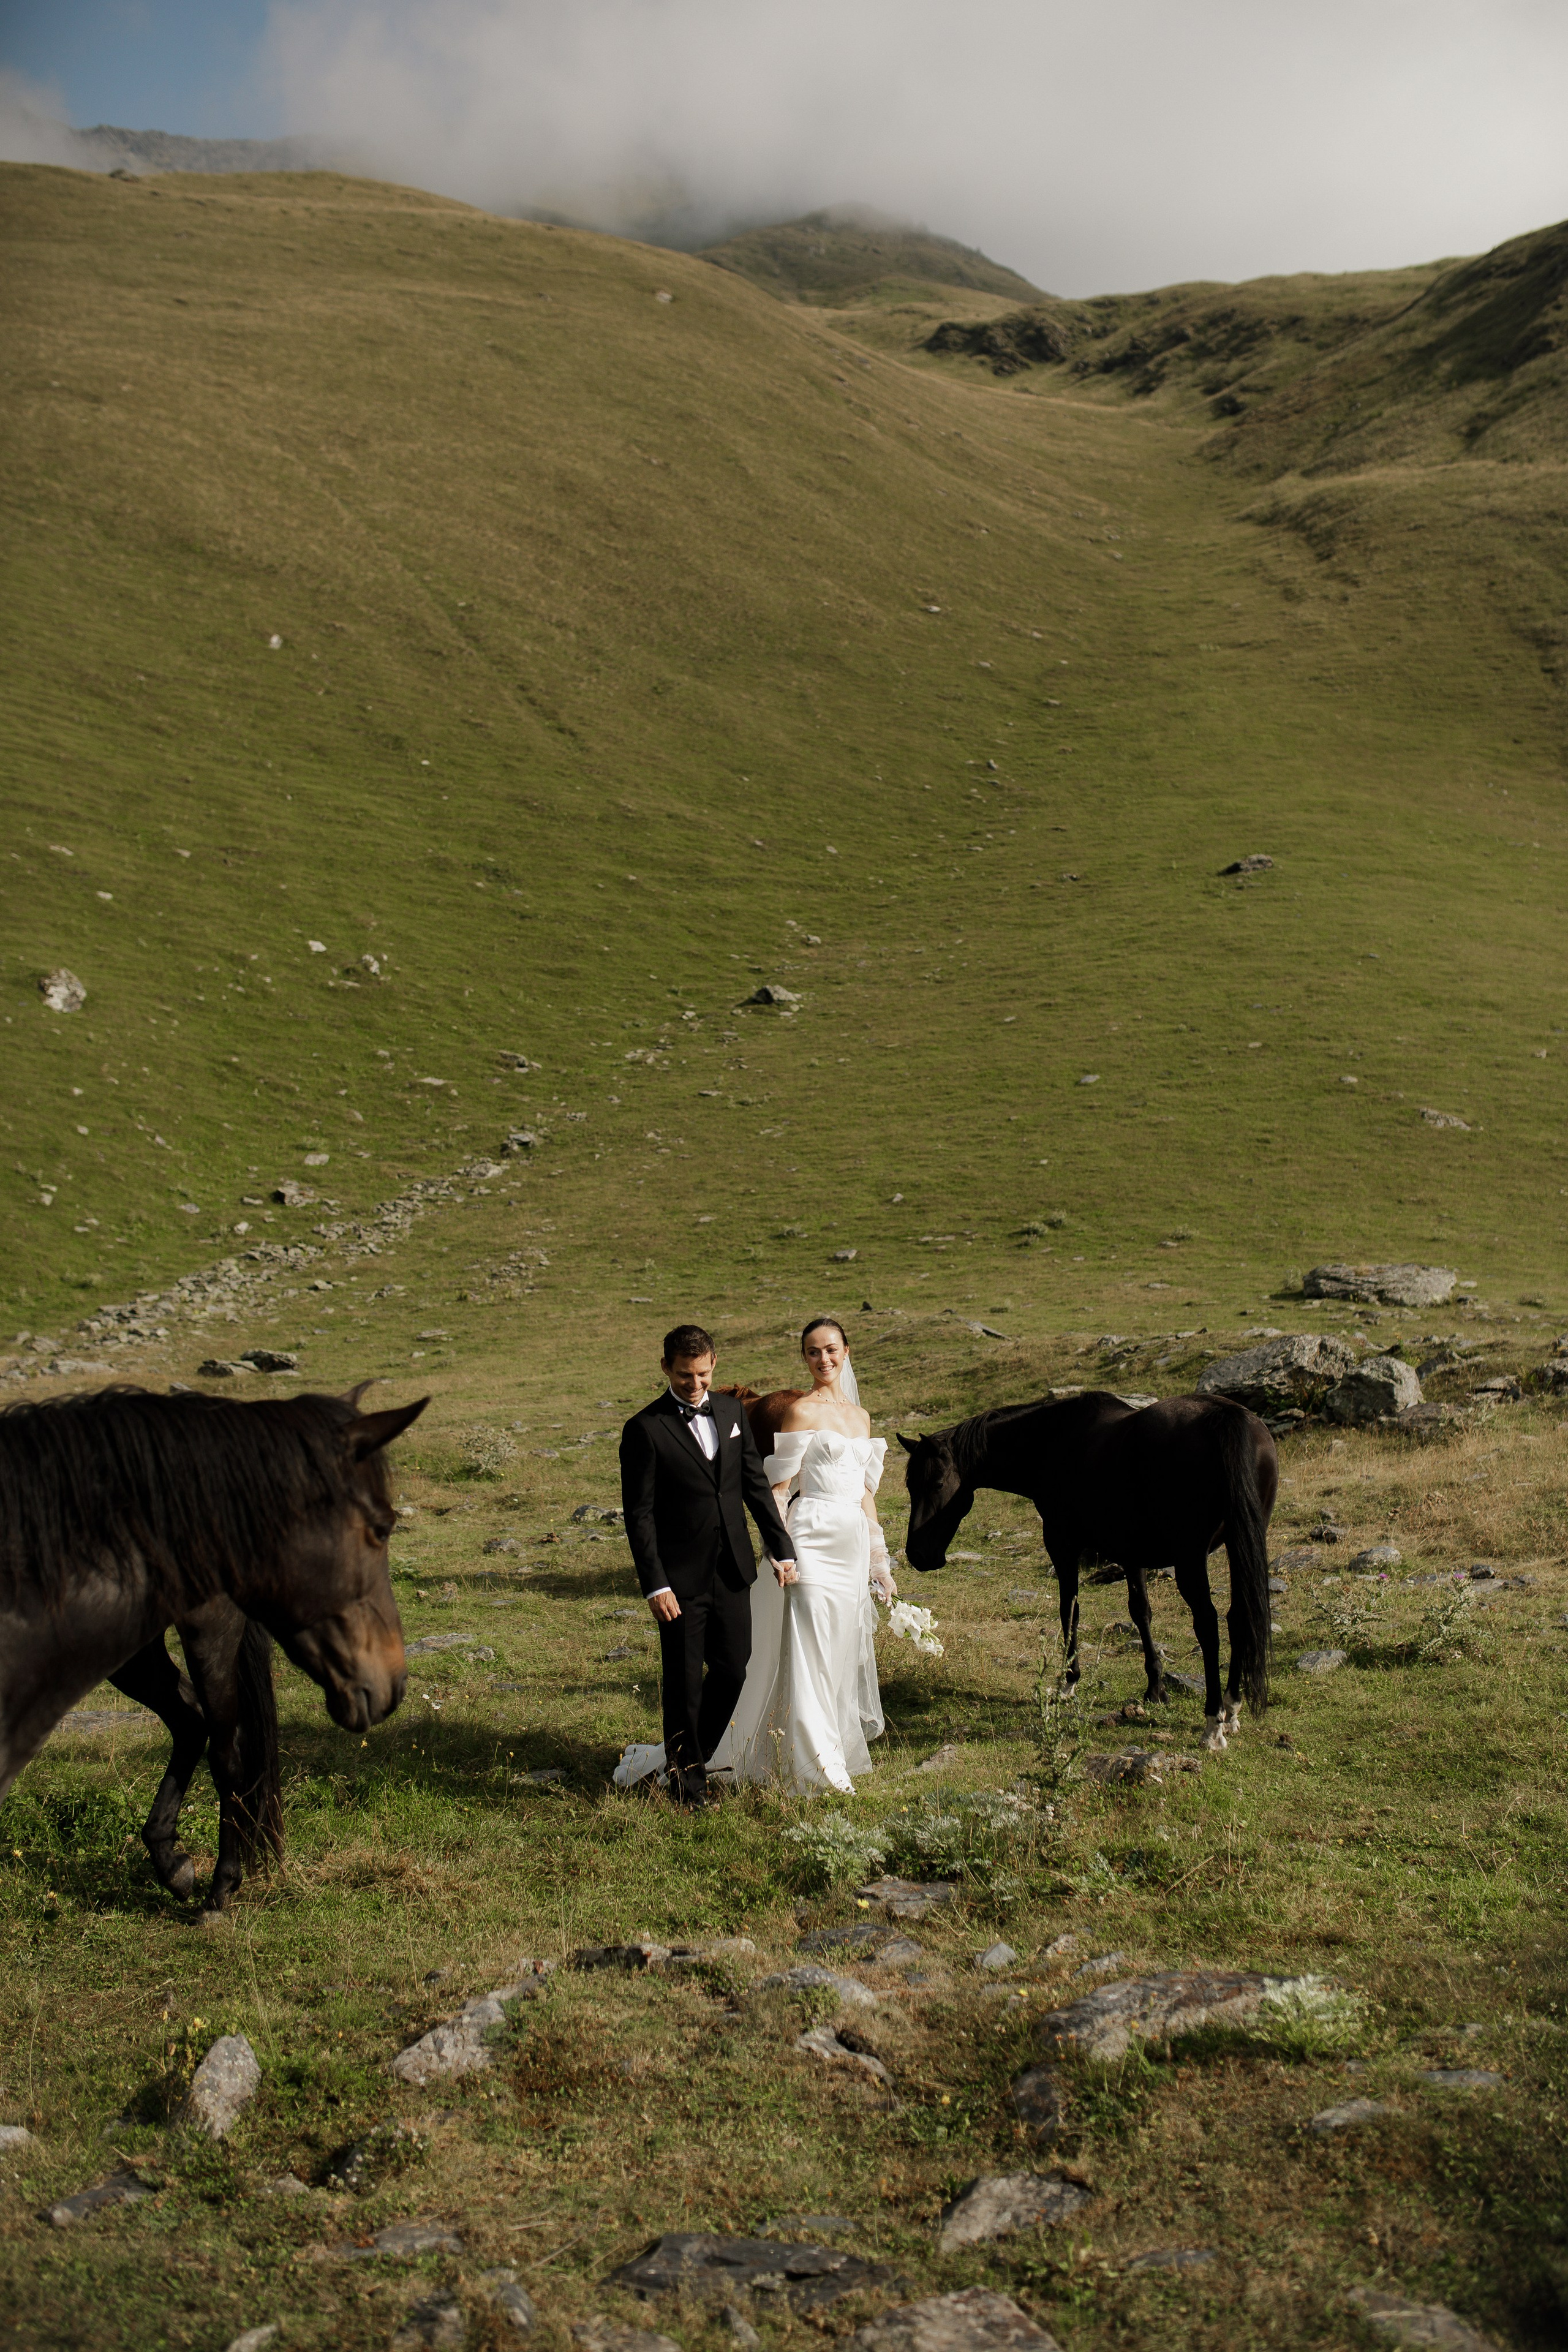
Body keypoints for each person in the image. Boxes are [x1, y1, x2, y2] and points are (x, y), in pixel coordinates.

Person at [708, 1315, 895, 1793]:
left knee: (837, 1649)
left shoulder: (861, 1418)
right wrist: (779, 1548)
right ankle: (815, 1769)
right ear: (805, 1358)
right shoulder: (800, 1412)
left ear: (847, 1352)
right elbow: (777, 1488)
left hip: (850, 1542)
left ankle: (812, 1750)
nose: (823, 1359)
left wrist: (880, 1561)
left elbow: (866, 1495)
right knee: (809, 1645)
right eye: (813, 1352)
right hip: (809, 1536)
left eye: (831, 1349)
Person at [618, 1322, 795, 1809]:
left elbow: (754, 1486)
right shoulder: (644, 1429)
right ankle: (687, 1787)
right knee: (682, 1683)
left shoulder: (733, 1411)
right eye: (682, 1376)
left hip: (733, 1569)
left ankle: (687, 1759)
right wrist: (655, 1585)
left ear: (714, 1365)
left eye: (700, 1374)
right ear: (665, 1370)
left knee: (733, 1669)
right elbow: (640, 1516)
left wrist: (781, 1548)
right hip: (678, 1580)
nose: (693, 1385)